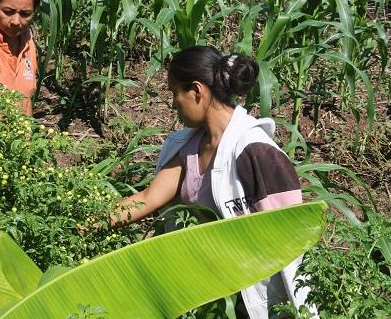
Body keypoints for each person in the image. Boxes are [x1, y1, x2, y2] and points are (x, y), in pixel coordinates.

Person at [109, 45, 317, 319]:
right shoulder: (189, 147)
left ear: (197, 91)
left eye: (175, 93)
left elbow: (291, 237)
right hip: (212, 294)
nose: (173, 104)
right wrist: (83, 222)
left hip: (258, 299)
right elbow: (148, 198)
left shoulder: (255, 151)